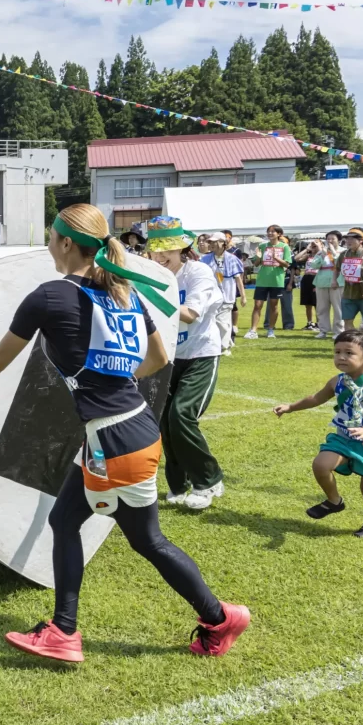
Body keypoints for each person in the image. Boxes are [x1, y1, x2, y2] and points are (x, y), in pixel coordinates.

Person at [0, 203, 249, 663]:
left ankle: (218, 617)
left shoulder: (49, 296)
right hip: (128, 428)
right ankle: (65, 629)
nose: (49, 246)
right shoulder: (123, 291)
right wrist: (116, 382)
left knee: (147, 540)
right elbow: (158, 360)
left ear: (66, 243)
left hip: (115, 440)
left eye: (51, 238)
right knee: (69, 521)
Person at [273, 327, 363, 538]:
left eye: (349, 353)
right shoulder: (338, 381)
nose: (341, 357)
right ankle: (334, 501)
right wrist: (291, 407)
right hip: (344, 437)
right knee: (321, 465)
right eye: (337, 352)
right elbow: (315, 398)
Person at [148, 217, 225, 510]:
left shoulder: (198, 272)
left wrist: (148, 297)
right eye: (155, 250)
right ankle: (178, 485)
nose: (161, 256)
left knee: (181, 415)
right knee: (165, 422)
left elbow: (191, 313)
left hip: (200, 355)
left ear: (183, 248)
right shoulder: (153, 273)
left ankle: (208, 480)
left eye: (168, 249)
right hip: (168, 357)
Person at [245, 225, 292, 339]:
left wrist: (276, 258)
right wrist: (258, 257)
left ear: (279, 234)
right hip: (262, 280)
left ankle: (271, 330)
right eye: (268, 232)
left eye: (273, 232)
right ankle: (253, 330)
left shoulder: (284, 247)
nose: (270, 234)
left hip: (277, 280)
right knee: (257, 305)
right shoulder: (262, 246)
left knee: (274, 306)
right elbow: (255, 264)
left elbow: (287, 264)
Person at [202, 232, 245, 354]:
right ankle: (223, 343)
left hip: (227, 296)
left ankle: (224, 347)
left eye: (215, 242)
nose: (212, 244)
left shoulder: (232, 259)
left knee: (223, 322)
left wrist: (243, 296)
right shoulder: (205, 259)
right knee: (213, 321)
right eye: (210, 242)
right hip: (210, 296)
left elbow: (238, 279)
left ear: (223, 243)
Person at [307, 232, 345, 339]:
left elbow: (341, 263)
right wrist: (322, 255)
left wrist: (333, 252)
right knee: (322, 307)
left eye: (333, 239)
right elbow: (313, 265)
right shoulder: (322, 252)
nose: (330, 241)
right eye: (328, 239)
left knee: (338, 307)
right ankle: (323, 330)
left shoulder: (343, 251)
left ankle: (339, 331)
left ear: (339, 240)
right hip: (322, 282)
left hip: (338, 282)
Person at [293, 241, 319, 331]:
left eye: (315, 246)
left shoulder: (322, 255)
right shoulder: (308, 256)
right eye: (313, 246)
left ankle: (319, 323)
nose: (314, 248)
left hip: (317, 278)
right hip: (307, 278)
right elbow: (296, 258)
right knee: (307, 303)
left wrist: (319, 249)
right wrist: (306, 250)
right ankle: (309, 323)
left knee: (317, 303)